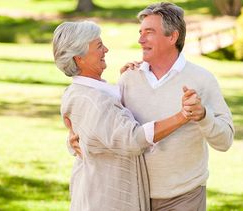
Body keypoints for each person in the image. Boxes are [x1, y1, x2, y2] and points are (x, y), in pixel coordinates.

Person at [69, 2, 235, 210]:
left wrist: (203, 116)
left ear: (172, 37)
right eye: (140, 32)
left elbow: (225, 140)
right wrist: (75, 140)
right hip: (134, 197)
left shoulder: (202, 80)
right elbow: (111, 130)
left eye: (149, 32)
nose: (140, 39)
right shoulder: (128, 78)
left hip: (184, 197)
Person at [53, 20, 198, 211]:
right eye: (98, 46)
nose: (106, 49)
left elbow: (102, 125)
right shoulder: (92, 101)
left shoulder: (83, 92)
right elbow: (132, 139)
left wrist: (122, 85)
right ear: (79, 58)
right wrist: (182, 116)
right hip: (105, 200)